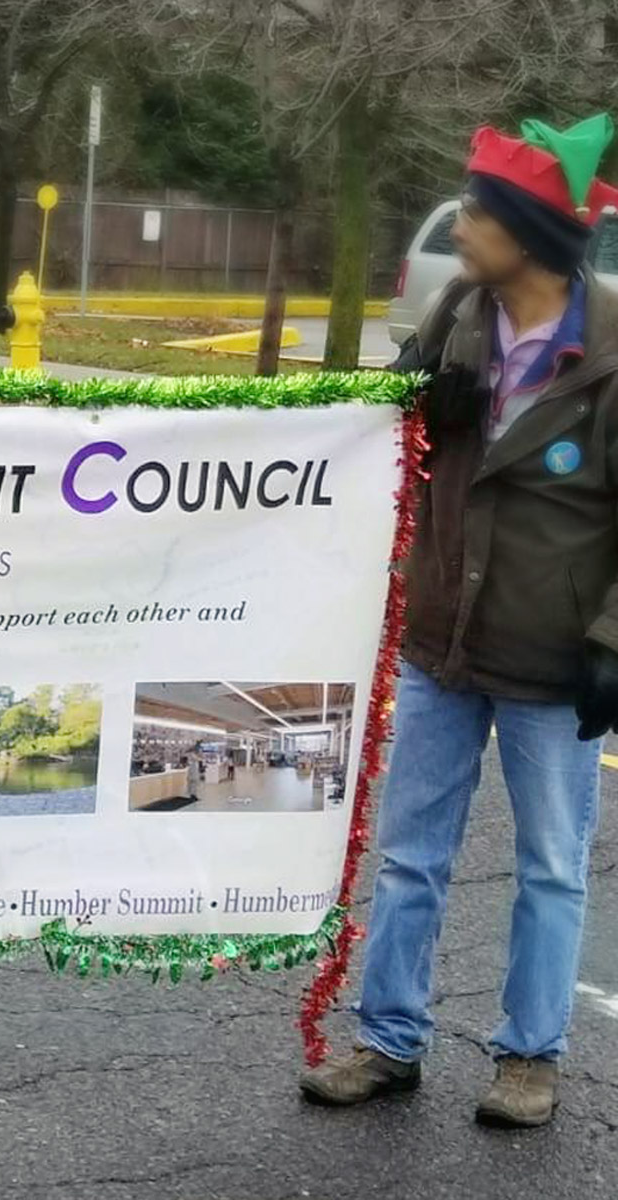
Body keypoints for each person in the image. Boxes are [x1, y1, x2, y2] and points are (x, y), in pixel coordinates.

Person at [300, 117, 618, 1130]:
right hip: (443, 642)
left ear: (530, 231)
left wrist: (611, 644)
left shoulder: (610, 355)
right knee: (410, 854)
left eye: (480, 210)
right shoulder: (457, 311)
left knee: (552, 865)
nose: (464, 225)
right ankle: (389, 1042)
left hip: (554, 660)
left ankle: (530, 1057)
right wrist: (415, 410)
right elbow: (391, 446)